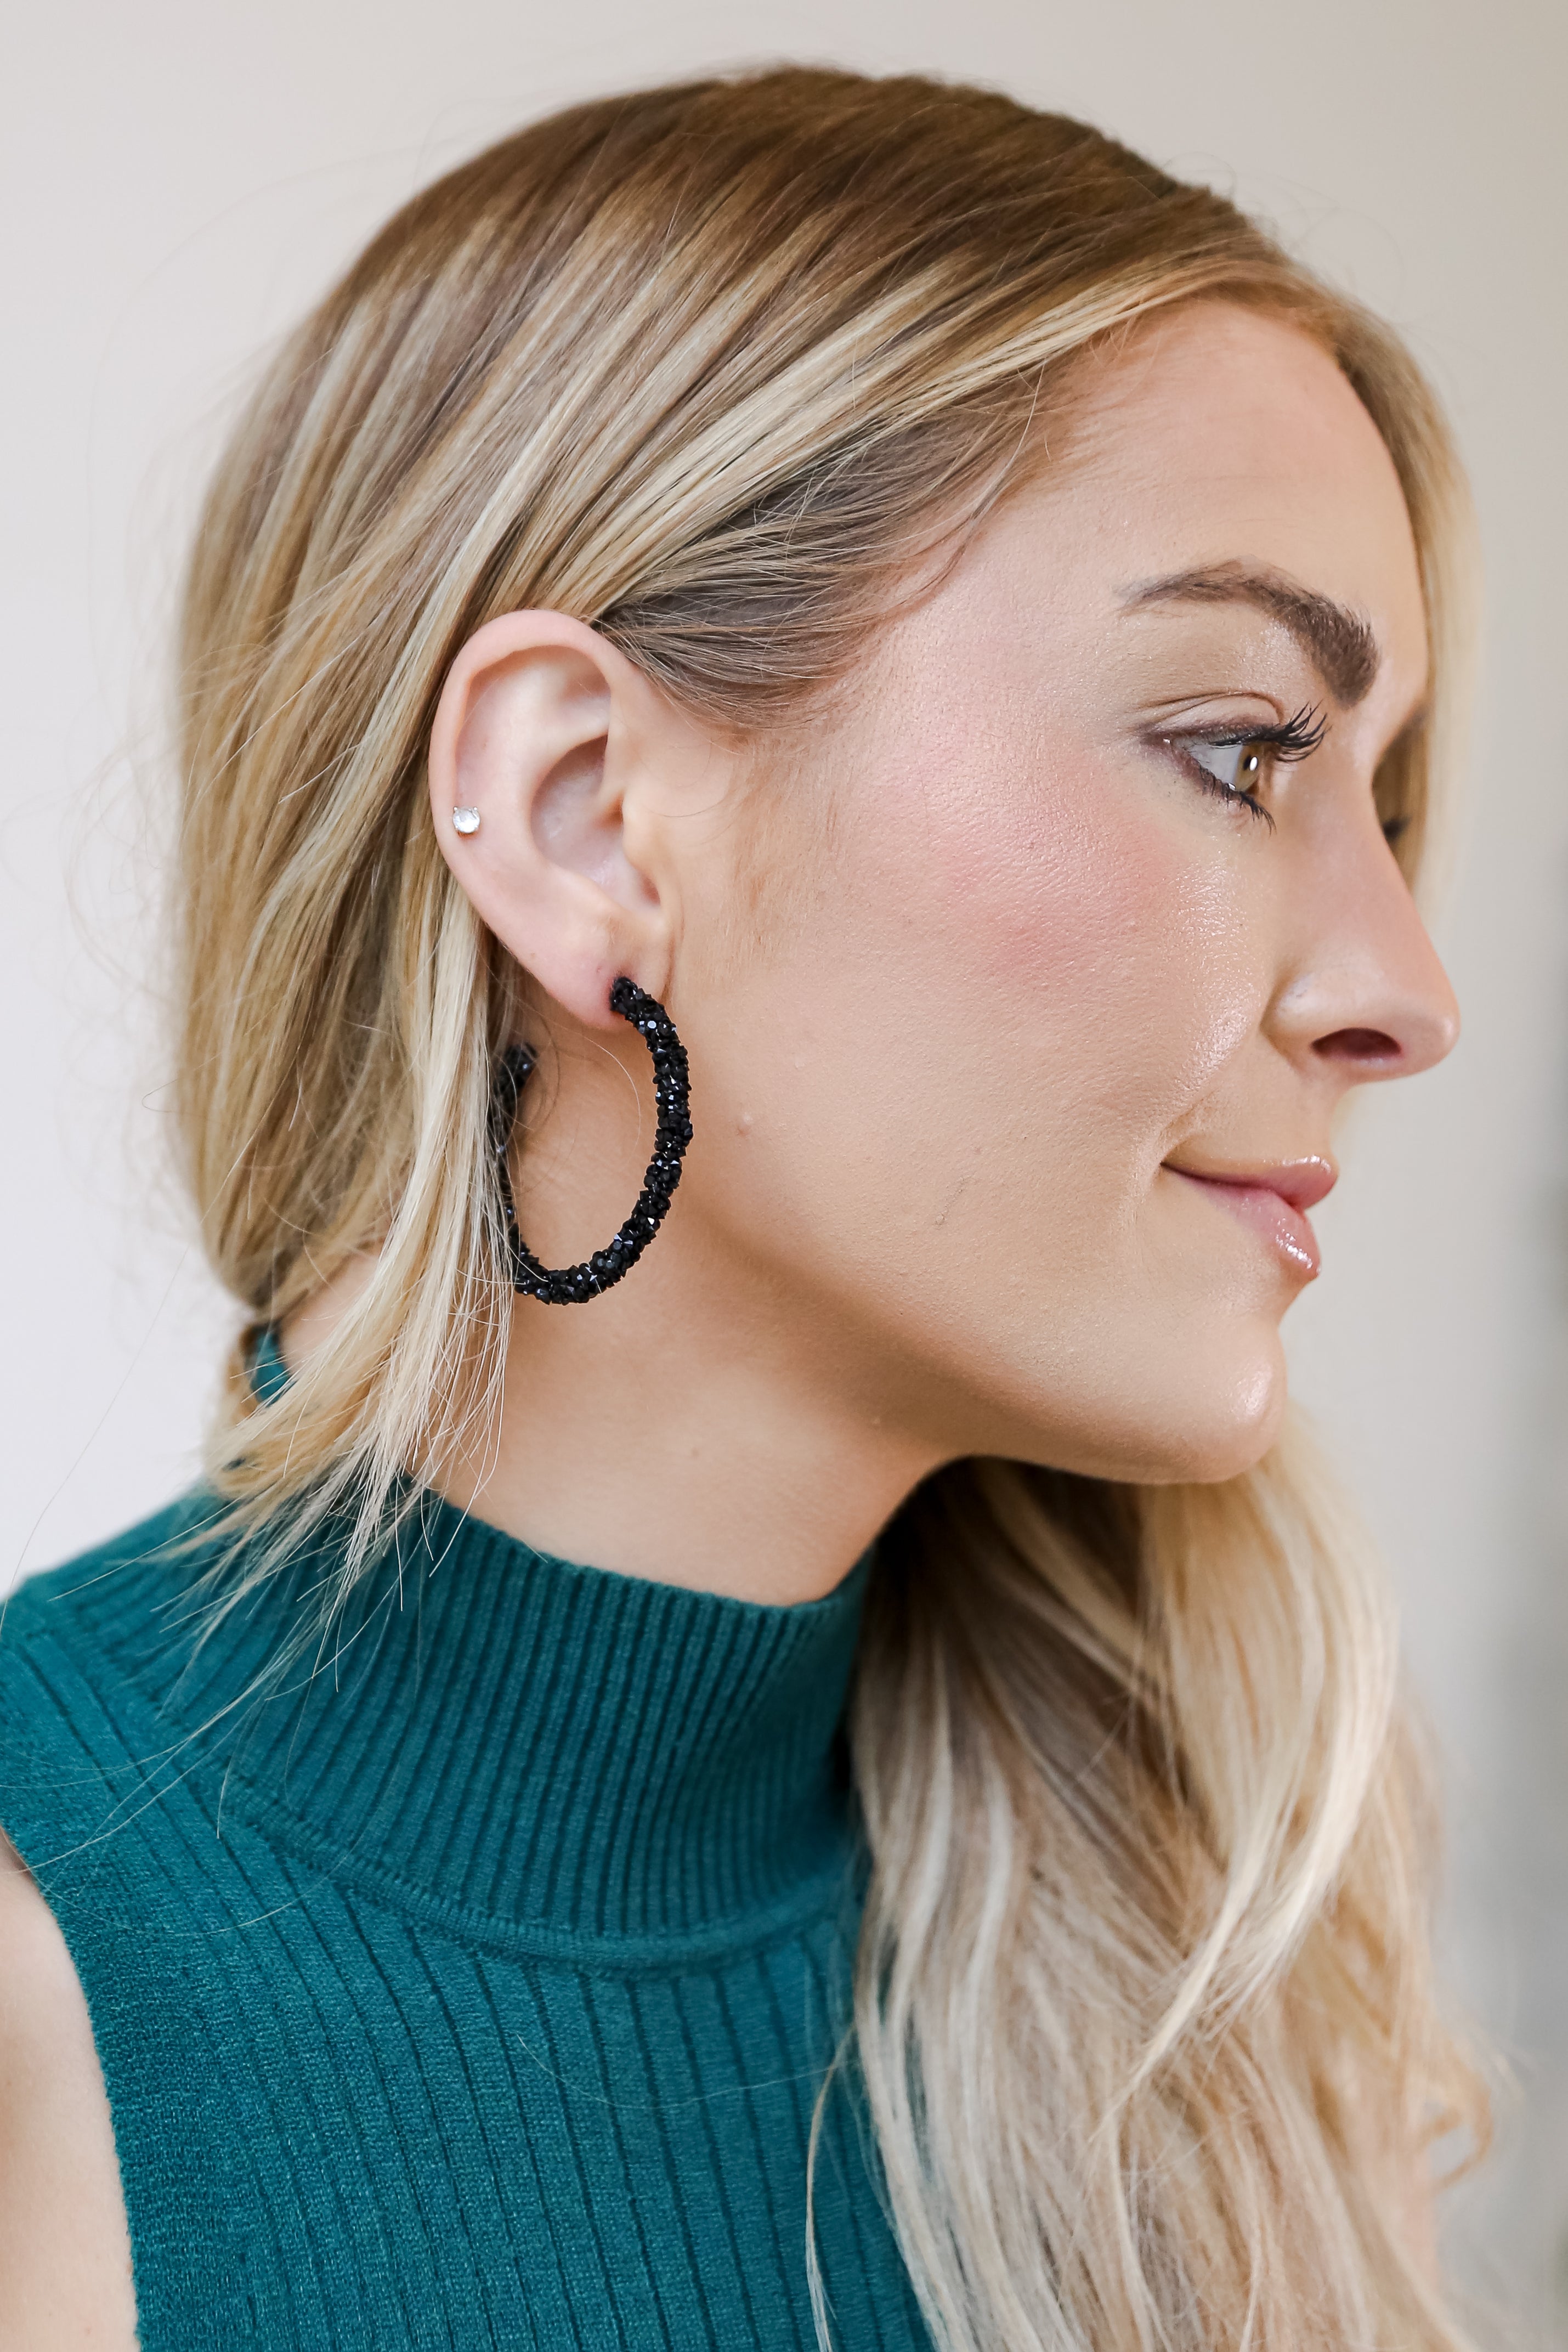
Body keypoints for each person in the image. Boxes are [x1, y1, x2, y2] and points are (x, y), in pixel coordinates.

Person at [0, 65, 1489, 2352]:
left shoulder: (1221, 2035)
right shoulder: (46, 1983)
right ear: (587, 815)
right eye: (1233, 745)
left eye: (1376, 804)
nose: (1404, 988)